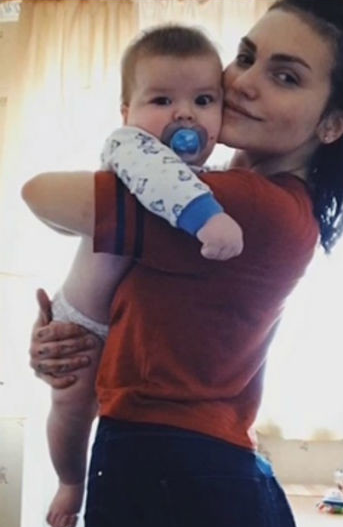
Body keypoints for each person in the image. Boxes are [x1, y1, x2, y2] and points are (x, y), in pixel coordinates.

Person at [25, 0, 343, 525]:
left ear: (332, 124)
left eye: (285, 76)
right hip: (195, 462)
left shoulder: (237, 206)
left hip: (166, 463)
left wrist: (129, 146)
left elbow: (43, 195)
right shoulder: (263, 199)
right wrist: (73, 341)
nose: (244, 83)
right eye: (246, 57)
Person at [23, 24, 245, 527]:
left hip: (132, 337)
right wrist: (207, 219)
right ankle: (70, 481)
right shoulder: (131, 149)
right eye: (162, 100)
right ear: (126, 113)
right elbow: (163, 183)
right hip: (84, 322)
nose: (184, 114)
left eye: (204, 100)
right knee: (72, 408)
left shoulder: (213, 176)